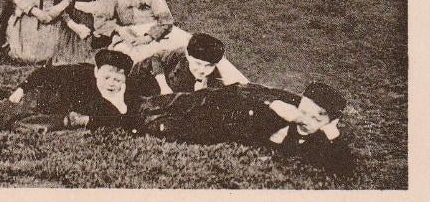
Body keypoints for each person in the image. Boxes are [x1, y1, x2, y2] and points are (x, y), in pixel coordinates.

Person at [140, 81, 354, 177]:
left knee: (172, 127)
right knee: (182, 102)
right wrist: (273, 104)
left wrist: (332, 133)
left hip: (231, 125)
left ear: (331, 120)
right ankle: (138, 104)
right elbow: (251, 91)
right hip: (233, 100)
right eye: (305, 110)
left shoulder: (325, 138)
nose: (306, 118)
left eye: (318, 116)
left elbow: (344, 169)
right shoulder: (288, 103)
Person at [0, 48, 142, 133]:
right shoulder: (79, 72)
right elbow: (45, 72)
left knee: (7, 100)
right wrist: (22, 89)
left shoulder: (127, 91)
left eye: (117, 78)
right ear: (96, 71)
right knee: (14, 106)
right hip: (46, 94)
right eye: (106, 77)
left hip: (59, 111)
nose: (111, 83)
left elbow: (125, 120)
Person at [128, 32, 248, 97]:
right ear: (188, 56)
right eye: (198, 63)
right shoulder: (180, 57)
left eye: (209, 66)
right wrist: (163, 85)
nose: (202, 70)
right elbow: (155, 58)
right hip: (144, 74)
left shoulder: (215, 75)